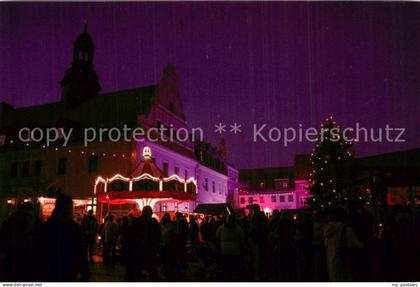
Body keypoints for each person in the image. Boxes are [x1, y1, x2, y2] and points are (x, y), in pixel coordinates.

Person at [39, 194, 89, 281]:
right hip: (68, 270)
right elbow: (81, 252)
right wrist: (84, 273)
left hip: (50, 270)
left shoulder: (47, 226)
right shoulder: (74, 228)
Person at [0, 201, 42, 281]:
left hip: (13, 255)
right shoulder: (36, 221)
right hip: (29, 256)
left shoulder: (10, 220)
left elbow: (4, 237)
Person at [324, 207, 363, 281]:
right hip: (344, 261)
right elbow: (354, 244)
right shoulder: (346, 229)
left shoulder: (328, 229)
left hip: (331, 261)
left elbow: (326, 245)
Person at [125, 206, 161, 281]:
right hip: (150, 249)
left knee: (137, 269)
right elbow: (157, 236)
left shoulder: (136, 221)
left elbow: (130, 235)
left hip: (138, 249)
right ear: (150, 213)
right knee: (150, 267)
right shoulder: (154, 223)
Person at [216, 214, 244, 281]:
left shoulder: (221, 228)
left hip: (224, 250)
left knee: (226, 266)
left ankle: (226, 277)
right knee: (234, 266)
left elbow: (217, 236)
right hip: (235, 251)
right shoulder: (238, 229)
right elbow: (242, 239)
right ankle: (234, 277)